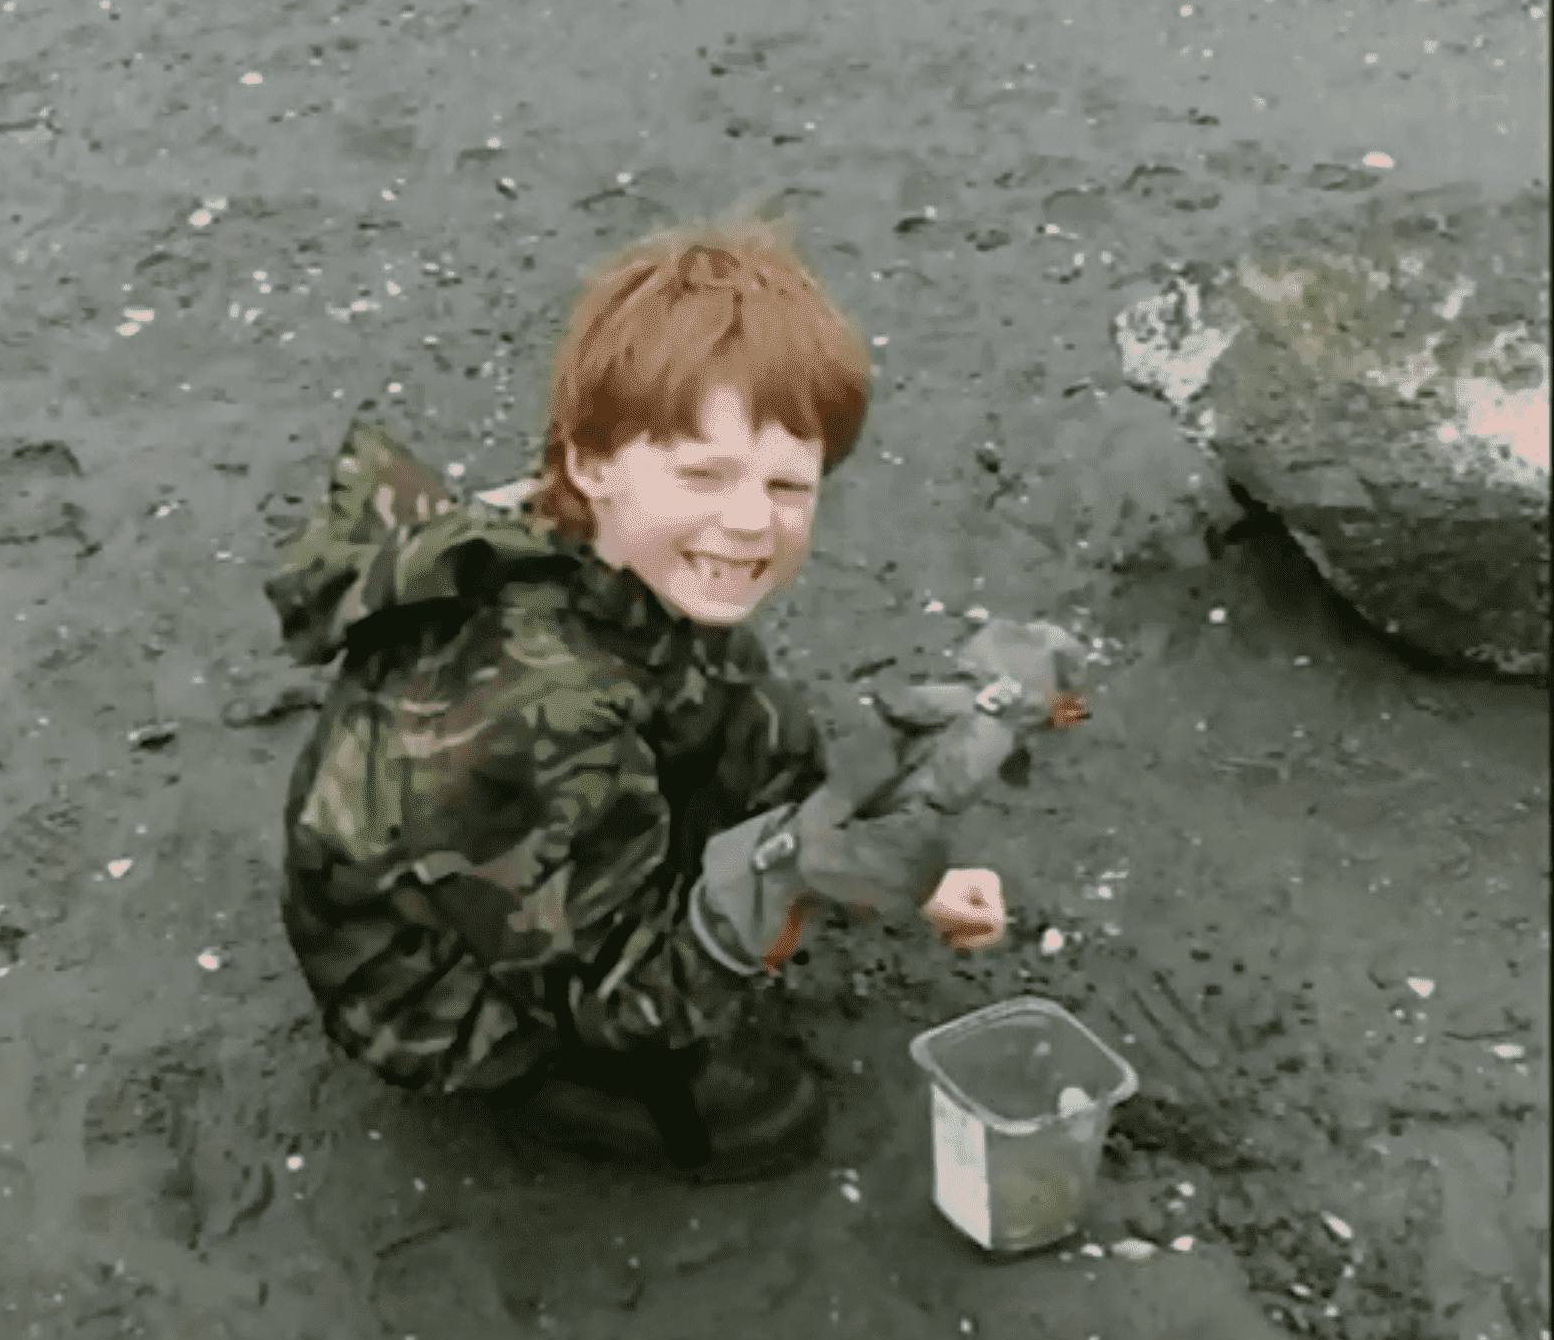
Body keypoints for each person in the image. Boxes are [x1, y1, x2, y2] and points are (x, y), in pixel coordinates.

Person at [263, 201, 1050, 1184]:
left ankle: (666, 876)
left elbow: (736, 705)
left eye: (786, 486)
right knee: (770, 1118)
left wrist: (898, 867)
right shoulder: (516, 698)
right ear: (592, 459)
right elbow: (616, 992)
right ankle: (546, 1082)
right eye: (703, 473)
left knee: (709, 710)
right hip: (428, 990)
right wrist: (790, 866)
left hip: (536, 810)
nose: (746, 523)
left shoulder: (617, 549)